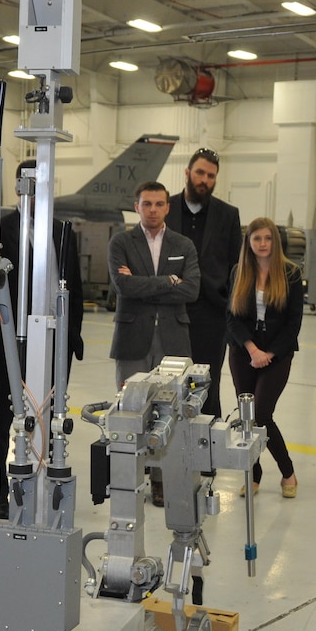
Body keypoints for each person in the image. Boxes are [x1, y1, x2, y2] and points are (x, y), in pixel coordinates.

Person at [0, 160, 85, 517]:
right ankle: (1, 492)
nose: (35, 191)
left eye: (43, 184)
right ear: (18, 187)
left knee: (51, 415)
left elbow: (74, 287)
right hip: (11, 340)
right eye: (29, 183)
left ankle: (47, 485)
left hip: (55, 341)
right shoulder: (1, 228)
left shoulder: (62, 230)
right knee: (5, 415)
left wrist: (72, 336)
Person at [108, 181, 200, 505]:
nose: (153, 210)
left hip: (172, 340)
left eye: (159, 204)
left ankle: (161, 481)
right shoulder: (121, 242)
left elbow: (191, 290)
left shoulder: (183, 244)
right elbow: (123, 286)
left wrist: (142, 283)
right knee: (129, 411)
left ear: (167, 207)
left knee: (169, 412)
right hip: (133, 338)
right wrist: (169, 281)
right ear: (137, 207)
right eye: (146, 204)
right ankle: (129, 480)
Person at [226, 217, 304, 497]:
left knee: (261, 414)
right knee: (247, 418)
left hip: (277, 353)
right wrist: (252, 349)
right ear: (248, 242)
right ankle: (254, 474)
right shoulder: (239, 271)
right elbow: (232, 318)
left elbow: (293, 323)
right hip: (243, 352)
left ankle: (288, 472)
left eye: (267, 238)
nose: (262, 243)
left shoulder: (291, 273)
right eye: (256, 238)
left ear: (275, 241)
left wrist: (269, 353)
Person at [166, 148, 242, 418]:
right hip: (171, 310)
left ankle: (207, 439)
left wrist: (229, 308)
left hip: (211, 315)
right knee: (168, 384)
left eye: (211, 176)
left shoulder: (228, 215)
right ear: (187, 173)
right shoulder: (165, 208)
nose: (204, 180)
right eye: (200, 173)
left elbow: (236, 267)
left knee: (207, 384)